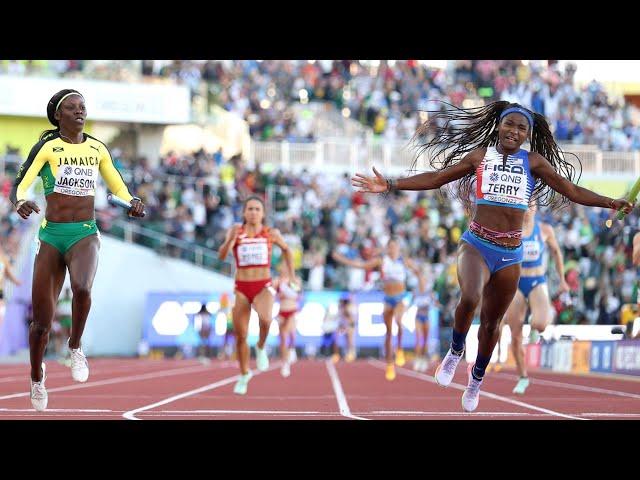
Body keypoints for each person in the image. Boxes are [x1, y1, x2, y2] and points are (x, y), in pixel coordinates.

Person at [352, 101, 634, 412]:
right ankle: (455, 350)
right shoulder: (480, 156)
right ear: (498, 126)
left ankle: (475, 380)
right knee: (470, 297)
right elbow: (437, 178)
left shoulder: (534, 162)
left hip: (510, 254)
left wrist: (611, 202)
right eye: (509, 125)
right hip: (476, 244)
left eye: (521, 128)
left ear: (528, 134)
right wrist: (391, 184)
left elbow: (571, 191)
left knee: (491, 324)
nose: (514, 131)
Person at [10, 89, 145, 411]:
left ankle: (75, 346)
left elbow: (117, 184)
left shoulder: (97, 148)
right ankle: (36, 378)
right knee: (41, 323)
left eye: (82, 107)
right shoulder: (47, 147)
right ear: (59, 116)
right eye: (71, 108)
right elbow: (21, 181)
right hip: (51, 235)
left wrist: (133, 201)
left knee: (83, 288)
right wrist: (20, 201)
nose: (79, 112)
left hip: (84, 232)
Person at [218, 195, 298, 395]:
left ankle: (261, 346)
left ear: (263, 214)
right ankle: (244, 374)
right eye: (250, 209)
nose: (253, 212)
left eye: (257, 209)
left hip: (263, 286)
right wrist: (230, 240)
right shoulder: (236, 231)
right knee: (240, 335)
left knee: (266, 319)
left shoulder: (271, 233)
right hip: (242, 287)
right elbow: (221, 256)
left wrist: (293, 276)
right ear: (244, 212)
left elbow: (287, 251)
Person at [501, 201, 570, 394]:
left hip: (537, 282)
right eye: (524, 206)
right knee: (515, 335)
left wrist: (562, 279)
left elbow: (556, 252)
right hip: (517, 285)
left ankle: (534, 324)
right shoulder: (511, 230)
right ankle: (523, 377)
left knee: (541, 324)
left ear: (536, 209)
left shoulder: (544, 230)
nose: (527, 210)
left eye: (531, 206)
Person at [333, 237, 421, 381]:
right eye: (391, 247)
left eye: (395, 247)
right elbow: (362, 265)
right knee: (388, 333)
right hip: (388, 298)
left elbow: (418, 270)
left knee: (398, 321)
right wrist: (342, 260)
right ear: (388, 248)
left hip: (400, 297)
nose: (393, 250)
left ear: (398, 249)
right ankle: (389, 364)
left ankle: (399, 350)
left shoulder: (403, 260)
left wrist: (420, 280)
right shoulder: (382, 261)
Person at [273, 266, 301, 377]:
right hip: (282, 311)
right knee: (283, 338)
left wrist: (287, 292)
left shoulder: (293, 280)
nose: (283, 269)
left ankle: (292, 349)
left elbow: (297, 294)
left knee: (292, 335)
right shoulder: (277, 281)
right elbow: (273, 294)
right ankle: (285, 363)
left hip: (292, 311)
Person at [412, 265, 438, 372]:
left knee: (425, 340)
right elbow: (414, 302)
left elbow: (435, 303)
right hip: (418, 317)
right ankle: (418, 359)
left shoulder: (429, 291)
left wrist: (435, 302)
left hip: (426, 317)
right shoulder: (416, 290)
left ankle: (423, 360)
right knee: (418, 339)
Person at [0, 245, 22, 331]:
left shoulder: (3, 259)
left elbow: (8, 273)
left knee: (1, 312)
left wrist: (16, 281)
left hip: (0, 290)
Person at [337, 294, 357, 363]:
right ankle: (348, 353)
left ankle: (352, 354)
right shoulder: (343, 308)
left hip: (350, 326)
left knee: (350, 340)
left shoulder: (350, 307)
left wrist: (349, 326)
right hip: (346, 326)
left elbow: (351, 318)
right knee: (347, 340)